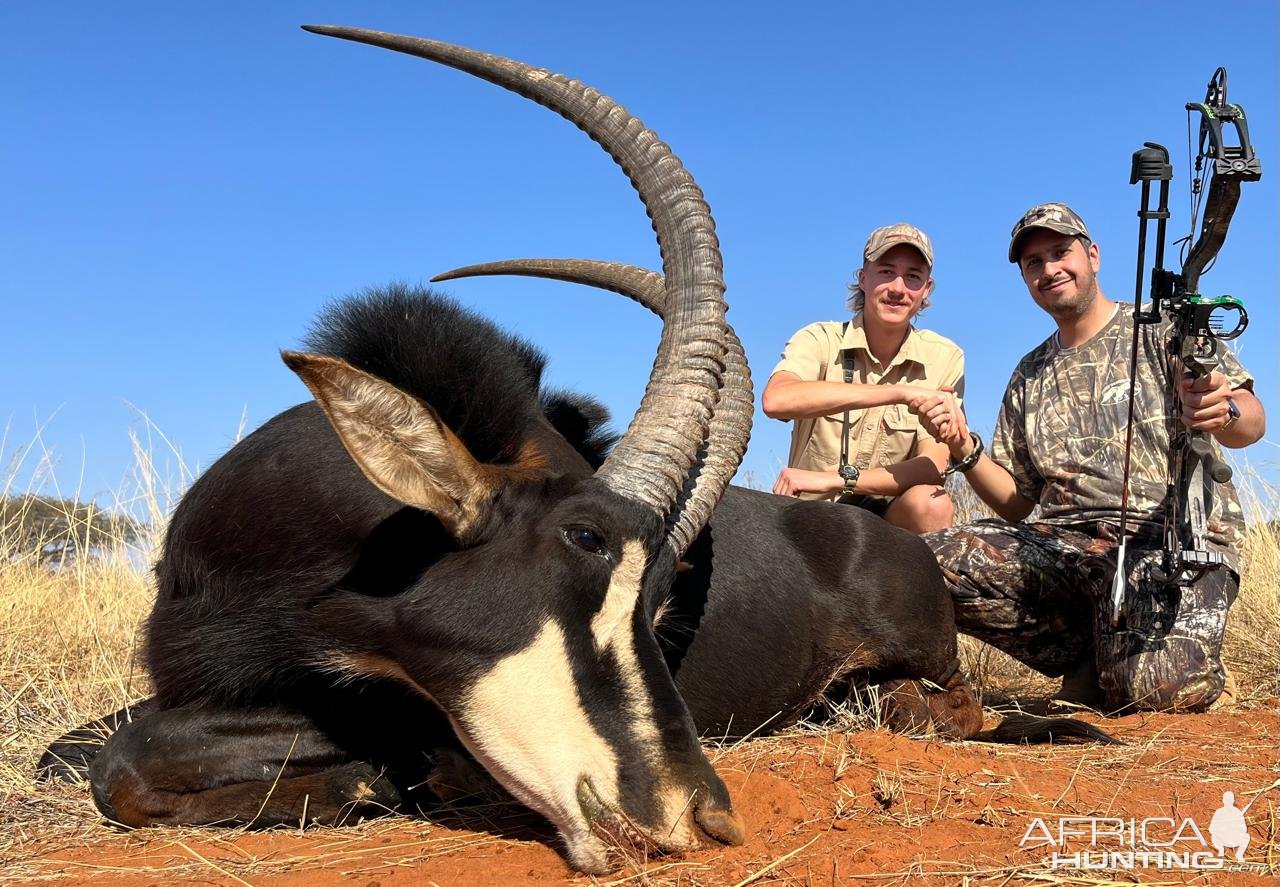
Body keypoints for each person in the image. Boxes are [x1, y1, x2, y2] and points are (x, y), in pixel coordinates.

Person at [915, 202, 1265, 713]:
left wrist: (1223, 409)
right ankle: (1093, 653)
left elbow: (1251, 423)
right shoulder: (1028, 372)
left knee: (1153, 692)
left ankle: (1156, 662)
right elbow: (1016, 505)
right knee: (922, 562)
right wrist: (964, 449)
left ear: (1093, 255)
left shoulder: (1167, 330)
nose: (1049, 269)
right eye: (1033, 263)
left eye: (1060, 252)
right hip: (1067, 550)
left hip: (1166, 546)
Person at [763, 223, 962, 533]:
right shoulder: (820, 338)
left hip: (884, 526)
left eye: (913, 276)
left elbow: (934, 465)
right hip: (811, 515)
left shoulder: (945, 356)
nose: (898, 288)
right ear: (863, 278)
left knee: (932, 504)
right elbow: (777, 400)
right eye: (886, 271)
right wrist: (897, 393)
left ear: (926, 290)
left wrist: (841, 479)